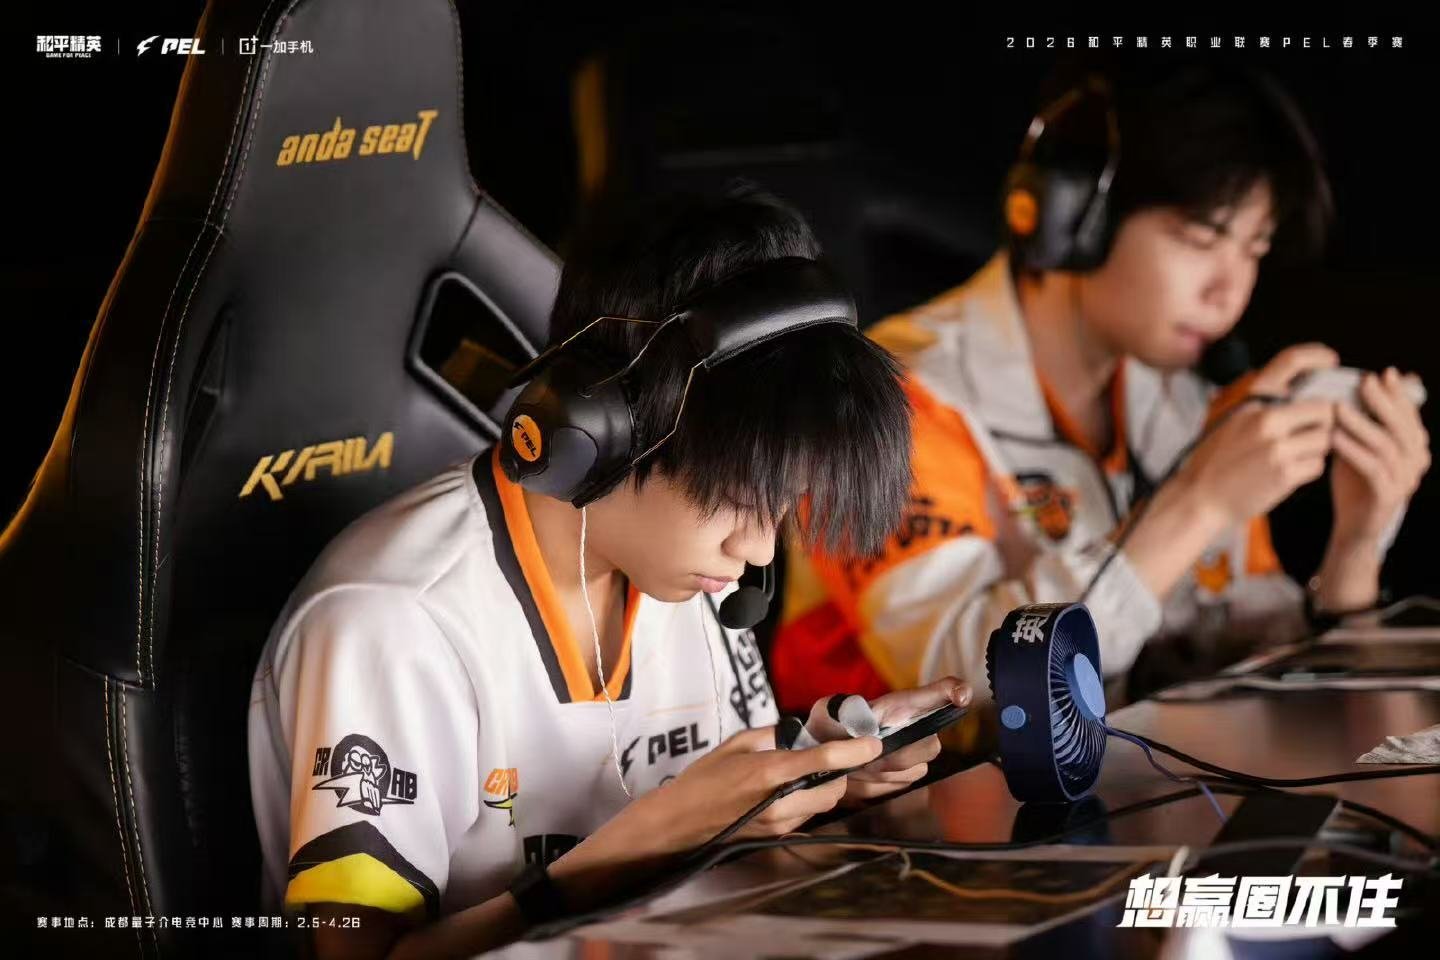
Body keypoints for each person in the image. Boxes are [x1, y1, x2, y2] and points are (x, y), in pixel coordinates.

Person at [247, 182, 972, 959]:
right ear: (596, 428)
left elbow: (730, 844)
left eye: (782, 501)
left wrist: (815, 776)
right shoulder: (391, 624)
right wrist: (632, 850)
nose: (760, 551)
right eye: (736, 499)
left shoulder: (684, 568)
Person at [772, 63, 1430, 719]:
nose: (1229, 291)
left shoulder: (1179, 397)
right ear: (1074, 216)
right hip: (901, 786)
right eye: (1200, 239)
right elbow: (963, 689)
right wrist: (1196, 502)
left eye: (1253, 250)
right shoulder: (895, 396)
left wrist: (1355, 551)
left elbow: (1241, 658)